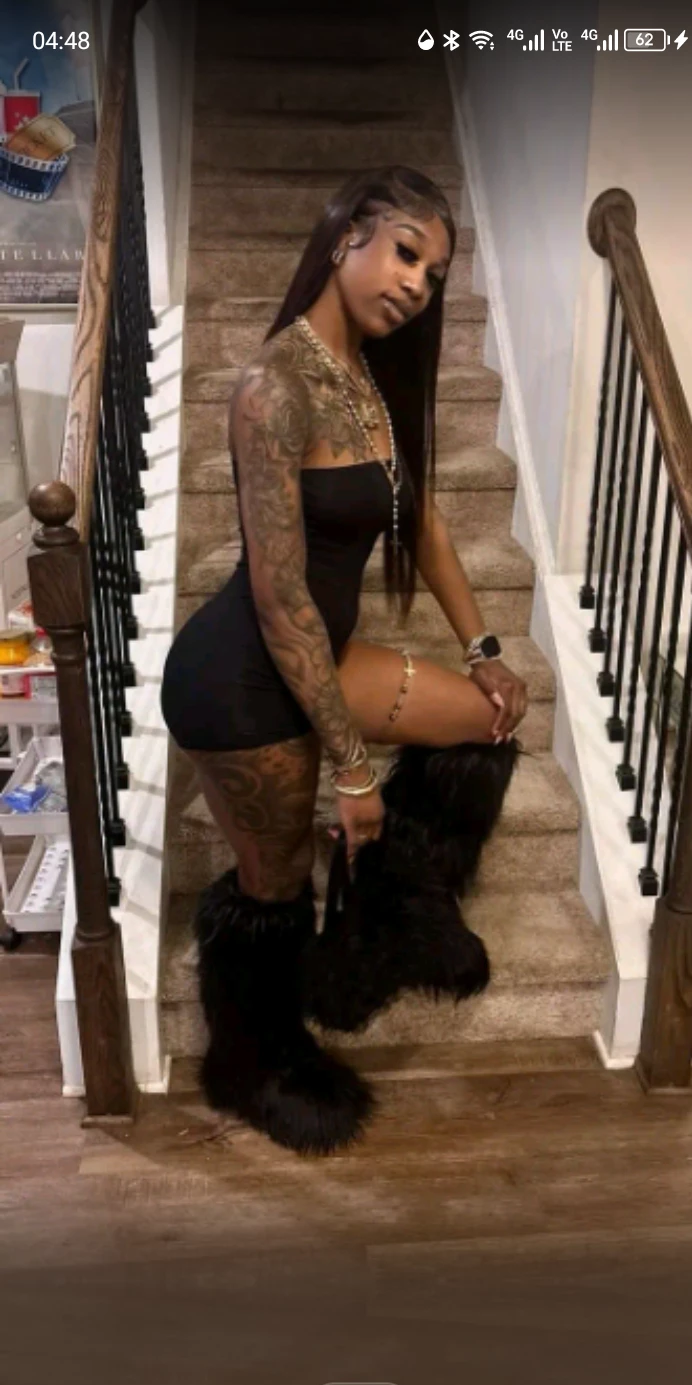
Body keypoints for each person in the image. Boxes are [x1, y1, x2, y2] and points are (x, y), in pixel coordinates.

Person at [160, 166, 527, 1158]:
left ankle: (385, 925)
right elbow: (281, 604)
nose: (416, 284)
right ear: (344, 237)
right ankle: (257, 1064)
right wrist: (353, 771)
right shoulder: (272, 389)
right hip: (244, 682)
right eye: (405, 252)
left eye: (433, 273)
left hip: (316, 655)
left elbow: (424, 521)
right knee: (274, 886)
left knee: (487, 723)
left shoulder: (363, 376)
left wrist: (484, 650)